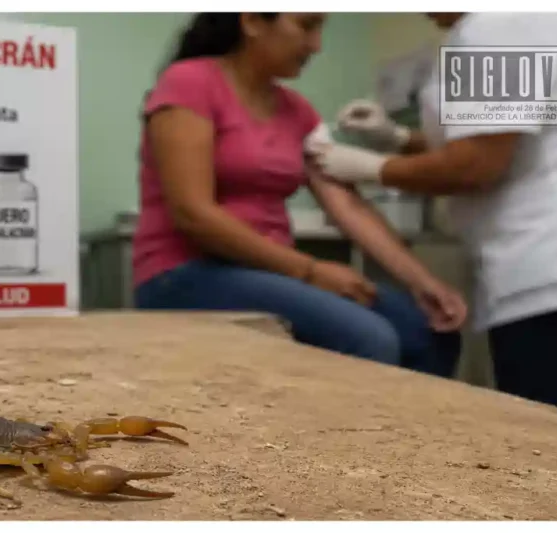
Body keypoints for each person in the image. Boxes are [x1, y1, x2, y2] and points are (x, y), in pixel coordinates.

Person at [306, 12, 557, 425]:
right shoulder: (495, 24)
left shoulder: (502, 23)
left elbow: (479, 162)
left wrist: (373, 167)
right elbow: (486, 136)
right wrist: (396, 139)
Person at [132, 12, 468, 378]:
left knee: (429, 334)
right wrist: (309, 271)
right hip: (184, 273)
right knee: (369, 338)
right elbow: (193, 213)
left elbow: (348, 205)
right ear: (253, 21)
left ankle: (413, 436)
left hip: (269, 271)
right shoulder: (189, 83)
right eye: (306, 26)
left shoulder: (297, 111)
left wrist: (423, 282)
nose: (316, 45)